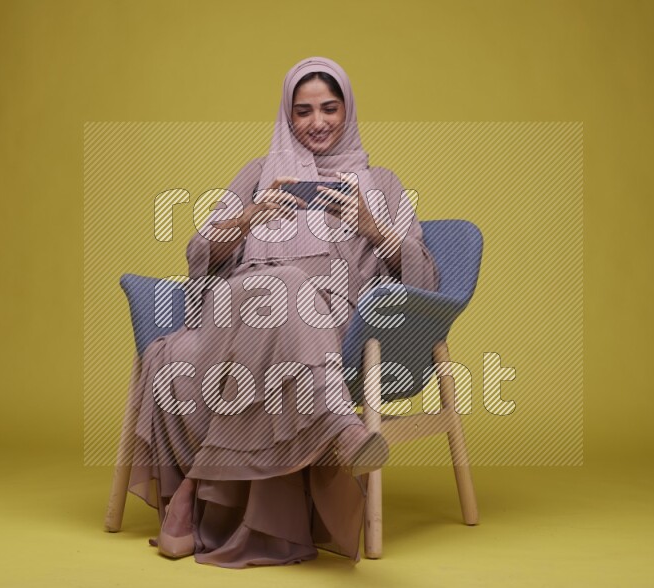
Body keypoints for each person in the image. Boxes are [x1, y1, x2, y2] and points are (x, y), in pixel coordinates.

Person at [125, 56, 440, 568]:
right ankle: (338, 429)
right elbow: (200, 253)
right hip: (238, 310)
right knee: (270, 291)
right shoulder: (257, 175)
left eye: (330, 109)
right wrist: (248, 219)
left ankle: (192, 491)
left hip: (329, 321)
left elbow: (423, 276)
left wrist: (371, 225)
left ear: (348, 111)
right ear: (287, 116)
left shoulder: (381, 185)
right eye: (303, 111)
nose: (317, 122)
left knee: (289, 290)